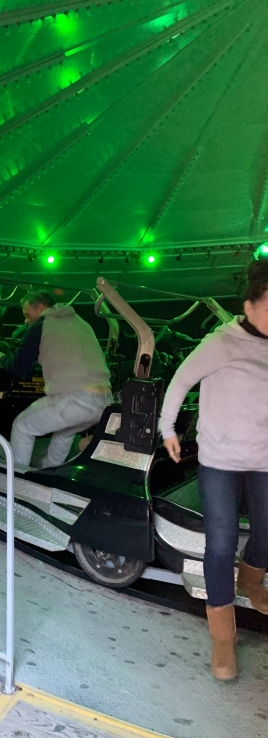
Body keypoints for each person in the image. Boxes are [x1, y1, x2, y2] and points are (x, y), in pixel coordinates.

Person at [160, 261, 268, 682]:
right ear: (248, 306)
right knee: (221, 544)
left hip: (264, 459)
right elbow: (181, 380)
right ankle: (223, 636)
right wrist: (168, 428)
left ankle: (251, 581)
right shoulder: (221, 342)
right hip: (220, 460)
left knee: (266, 532)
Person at [0, 291, 112, 469]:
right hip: (104, 403)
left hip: (77, 400)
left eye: (27, 315)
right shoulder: (81, 322)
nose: (25, 321)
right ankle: (49, 472)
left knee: (22, 426)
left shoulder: (43, 324)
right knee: (64, 433)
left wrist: (1, 358)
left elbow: (19, 367)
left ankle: (16, 479)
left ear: (40, 307)